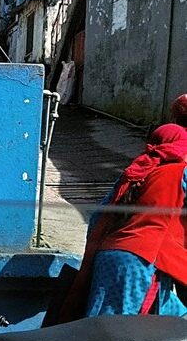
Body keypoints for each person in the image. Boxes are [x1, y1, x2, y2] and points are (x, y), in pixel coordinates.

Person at [58, 123, 187, 321]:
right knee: (114, 329)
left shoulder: (137, 170)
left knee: (168, 318)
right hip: (141, 260)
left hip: (109, 255)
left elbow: (97, 218)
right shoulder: (180, 172)